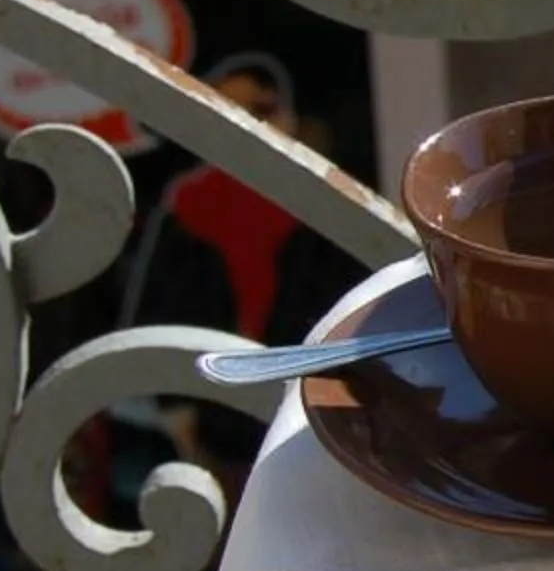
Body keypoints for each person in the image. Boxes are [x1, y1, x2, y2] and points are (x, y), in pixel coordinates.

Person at [119, 53, 368, 483]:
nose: (247, 123)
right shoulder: (187, 207)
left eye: (262, 109)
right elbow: (160, 306)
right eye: (230, 109)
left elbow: (355, 307)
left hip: (311, 423)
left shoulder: (324, 204)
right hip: (213, 428)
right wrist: (176, 413)